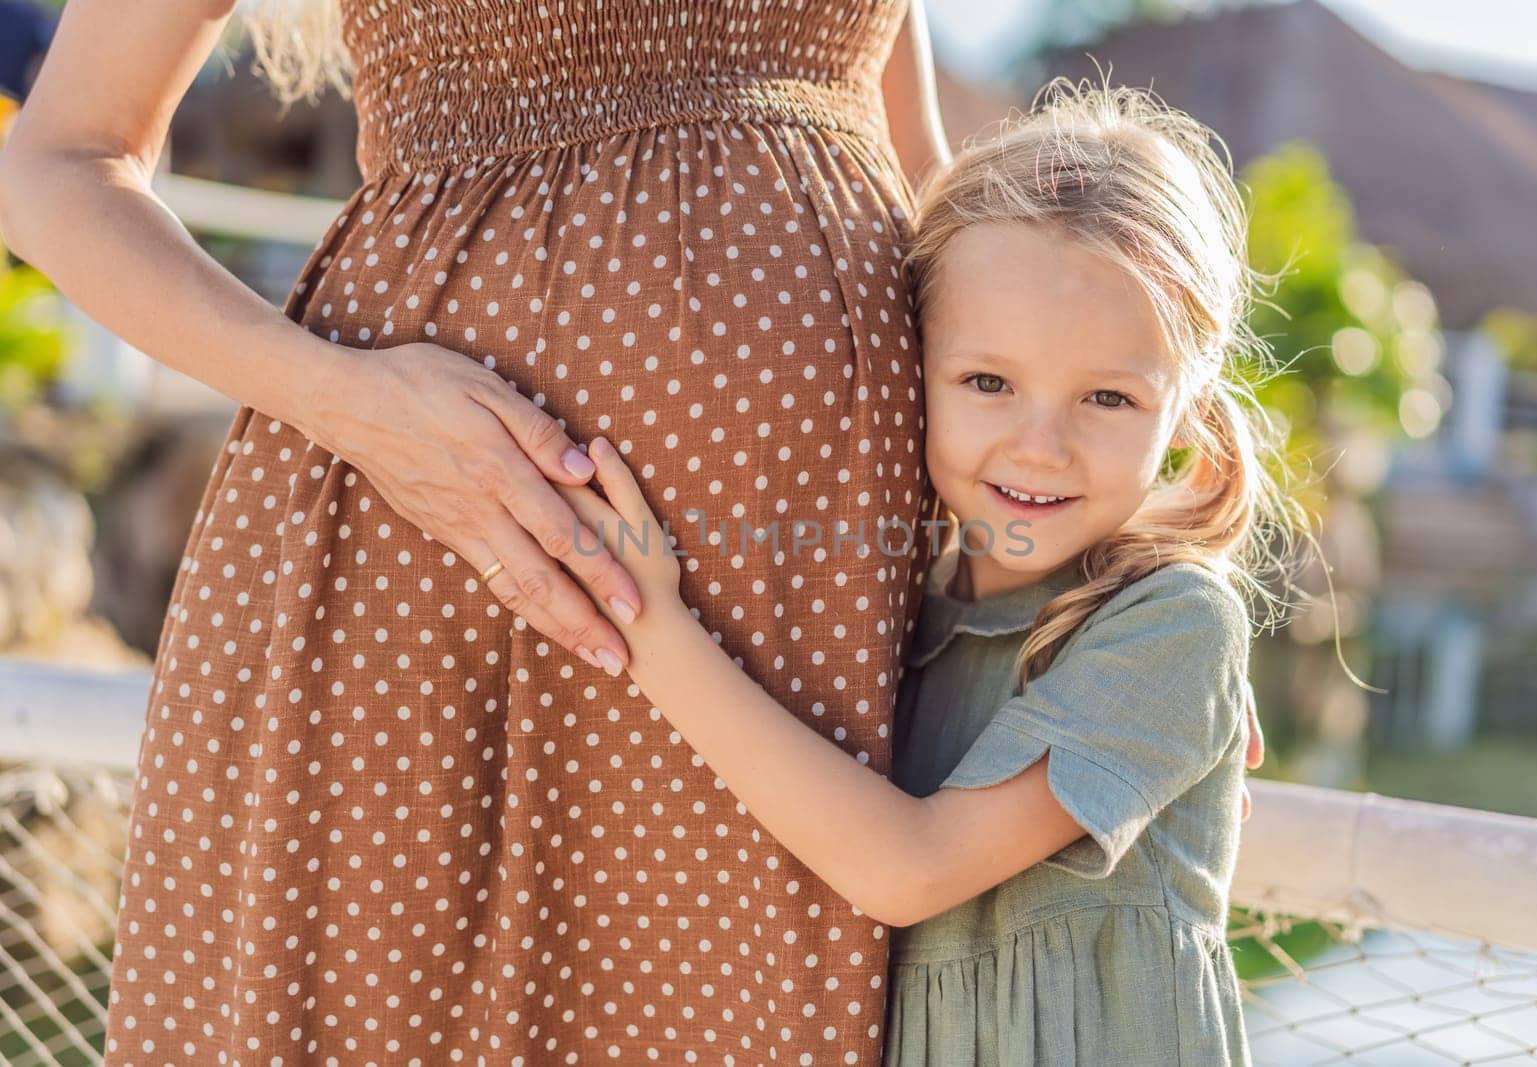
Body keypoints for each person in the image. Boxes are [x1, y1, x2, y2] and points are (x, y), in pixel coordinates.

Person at [0, 0, 957, 1061]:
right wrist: (344, 400)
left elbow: (926, 176)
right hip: (435, 556)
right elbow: (57, 163)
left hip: (817, 596)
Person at [552, 78, 1307, 1064]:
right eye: (987, 382)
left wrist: (652, 629)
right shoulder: (886, 607)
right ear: (914, 367)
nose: (1040, 447)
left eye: (1108, 398)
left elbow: (905, 869)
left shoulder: (1171, 623)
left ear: (1188, 404)